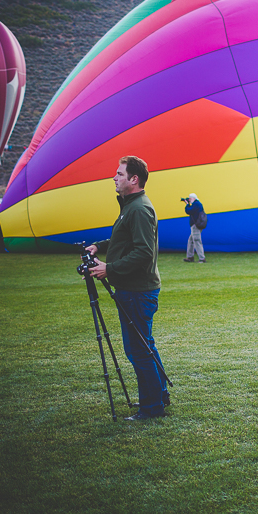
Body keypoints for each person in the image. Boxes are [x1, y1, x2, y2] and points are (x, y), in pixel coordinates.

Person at [86, 156, 167, 421]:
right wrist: (100, 245)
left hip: (137, 292)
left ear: (134, 179)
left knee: (138, 351)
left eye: (119, 174)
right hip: (134, 290)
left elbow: (143, 252)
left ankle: (152, 407)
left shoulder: (139, 208)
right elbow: (125, 236)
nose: (114, 177)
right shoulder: (131, 206)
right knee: (145, 346)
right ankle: (160, 395)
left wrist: (110, 268)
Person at [183, 193, 206, 264]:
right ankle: (190, 256)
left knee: (196, 240)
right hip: (197, 225)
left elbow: (188, 211)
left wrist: (187, 204)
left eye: (190, 199)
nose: (189, 200)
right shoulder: (197, 204)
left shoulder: (196, 204)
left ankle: (202, 258)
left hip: (195, 225)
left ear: (193, 198)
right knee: (191, 240)